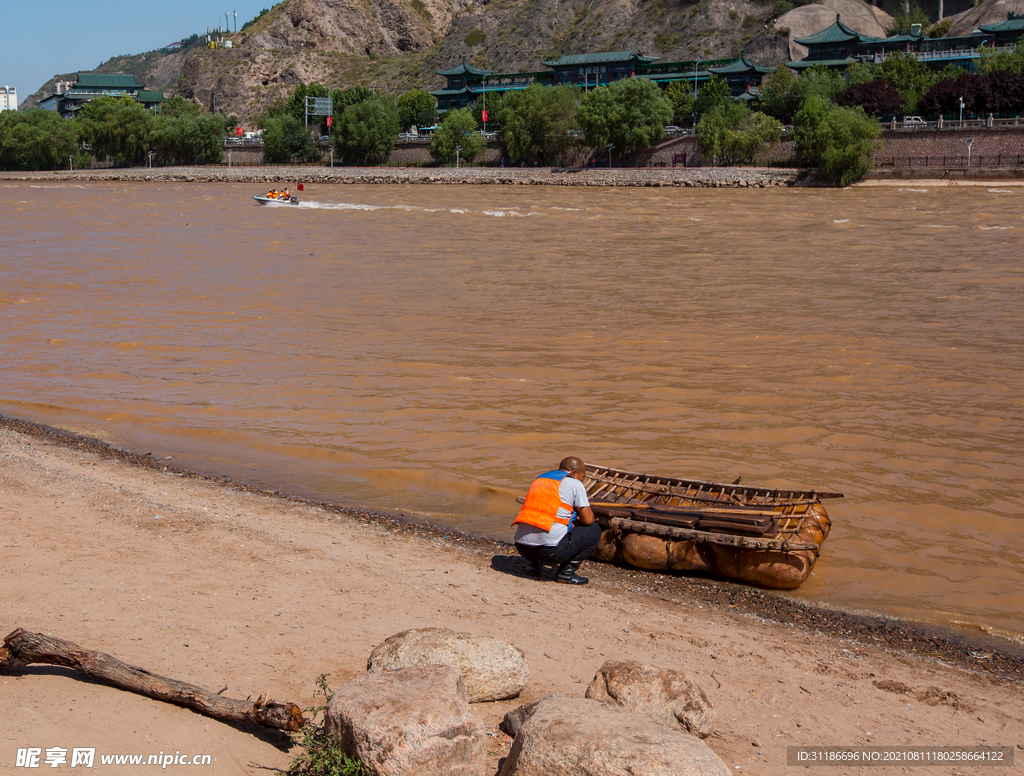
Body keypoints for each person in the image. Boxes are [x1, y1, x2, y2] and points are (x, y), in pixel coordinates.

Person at [512, 456, 601, 585]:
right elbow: (588, 520)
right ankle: (566, 573)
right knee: (594, 530)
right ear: (574, 473)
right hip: (549, 553)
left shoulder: (540, 478)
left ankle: (534, 567)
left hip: (523, 548)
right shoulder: (574, 483)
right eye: (583, 476)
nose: (583, 480)